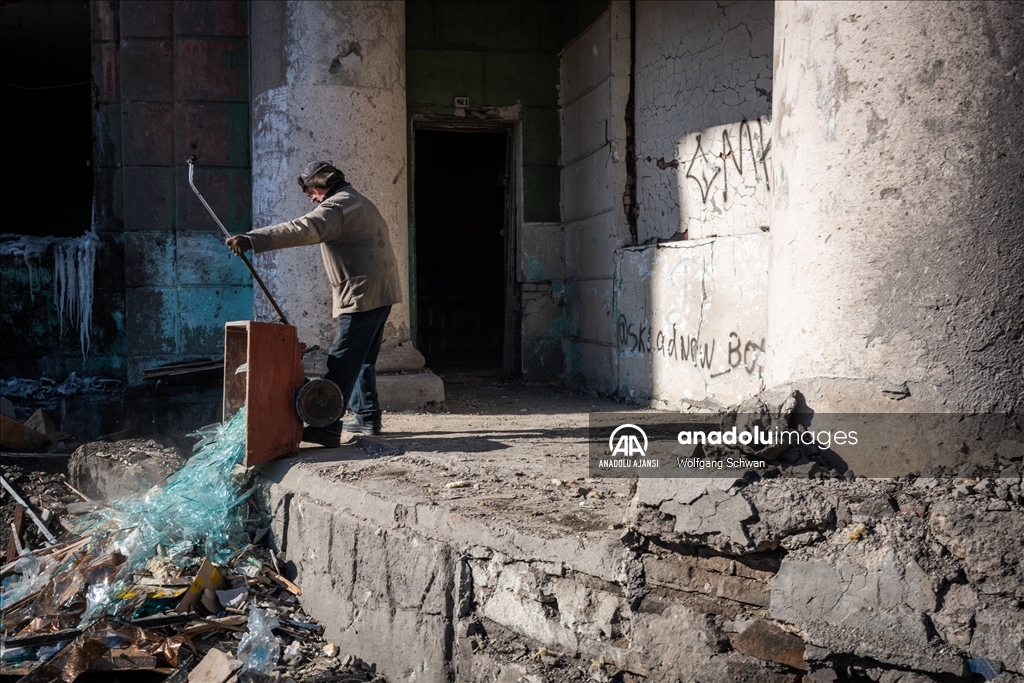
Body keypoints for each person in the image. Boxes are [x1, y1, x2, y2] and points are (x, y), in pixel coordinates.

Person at [226, 161, 402, 446]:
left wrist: (252, 240)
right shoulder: (357, 200)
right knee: (362, 358)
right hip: (382, 290)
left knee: (343, 360)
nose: (311, 198)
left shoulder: (336, 207)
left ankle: (327, 427)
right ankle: (367, 416)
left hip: (361, 293)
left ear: (321, 184)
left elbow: (302, 228)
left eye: (310, 191)